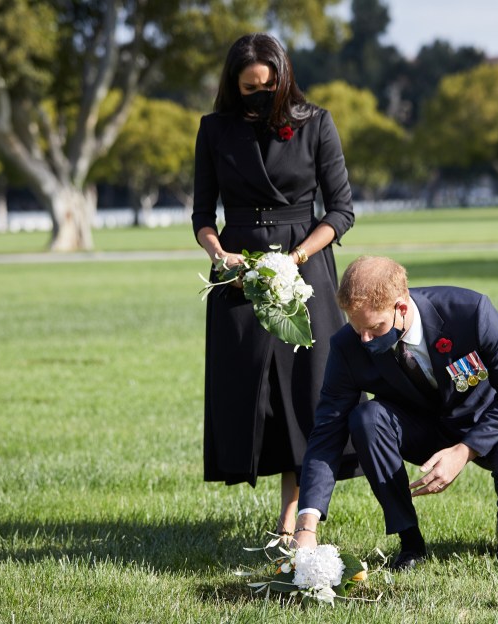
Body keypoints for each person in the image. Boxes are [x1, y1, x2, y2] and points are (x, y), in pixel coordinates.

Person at [192, 33, 360, 538]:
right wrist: (218, 252)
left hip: (303, 264)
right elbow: (203, 214)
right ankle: (261, 479)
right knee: (249, 389)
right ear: (233, 85)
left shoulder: (316, 124)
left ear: (283, 79)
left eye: (268, 85)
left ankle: (294, 513)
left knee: (301, 390)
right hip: (239, 267)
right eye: (249, 88)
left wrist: (300, 256)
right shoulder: (214, 130)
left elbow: (341, 210)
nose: (260, 94)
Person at [292, 256, 498, 570]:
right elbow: (327, 430)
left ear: (402, 307)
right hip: (423, 427)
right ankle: (410, 542)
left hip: (491, 417)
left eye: (374, 327)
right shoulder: (348, 346)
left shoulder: (471, 312)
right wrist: (306, 526)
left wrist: (464, 451)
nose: (364, 340)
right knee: (365, 419)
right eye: (357, 328)